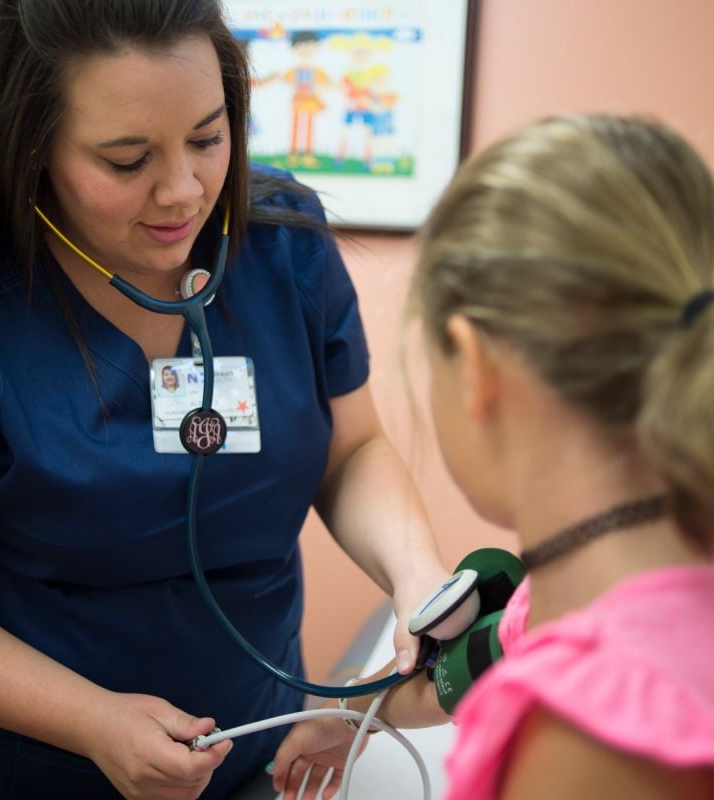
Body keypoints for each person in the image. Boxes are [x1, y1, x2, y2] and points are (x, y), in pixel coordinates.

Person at [0, 1, 450, 798]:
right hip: (34, 770)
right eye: (127, 160)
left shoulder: (282, 245)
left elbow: (353, 451)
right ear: (33, 147)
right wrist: (92, 720)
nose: (183, 192)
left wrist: (419, 581)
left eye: (207, 138)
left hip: (255, 753)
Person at [270, 114, 714, 800]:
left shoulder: (588, 738)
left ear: (475, 368)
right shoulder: (592, 583)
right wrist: (353, 712)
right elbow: (496, 653)